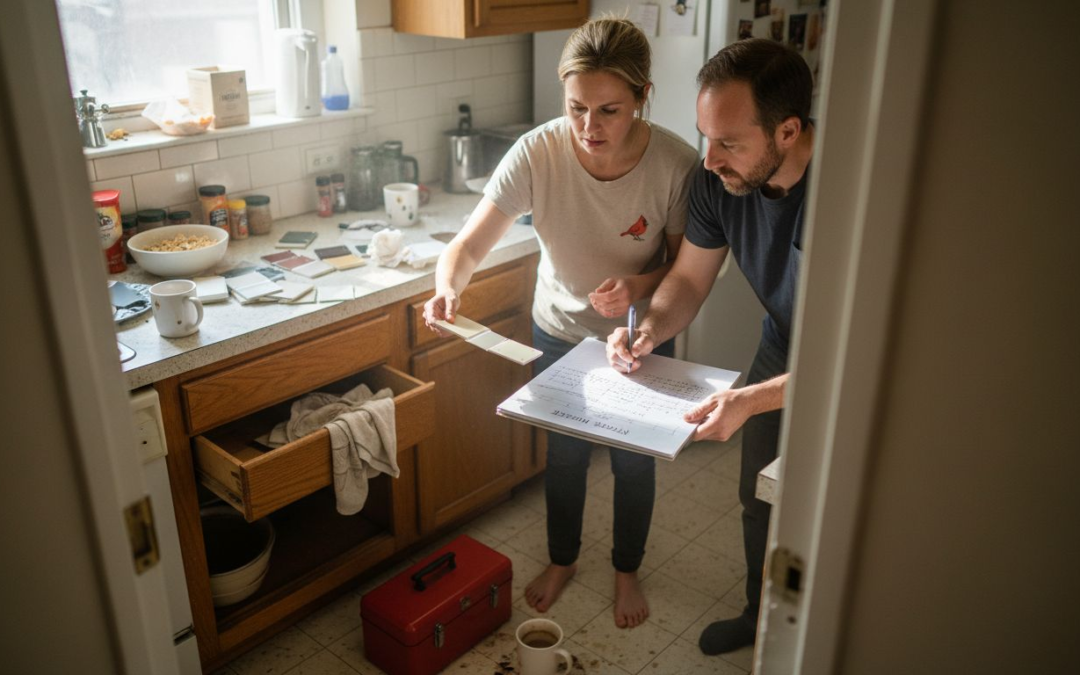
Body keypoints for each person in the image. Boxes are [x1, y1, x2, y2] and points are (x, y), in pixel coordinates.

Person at [423, 17, 699, 629]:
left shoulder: (677, 164)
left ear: (643, 97)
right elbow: (465, 247)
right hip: (558, 330)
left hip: (643, 330)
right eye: (576, 108)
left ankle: (626, 570)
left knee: (632, 459)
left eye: (609, 110)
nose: (588, 128)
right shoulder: (538, 151)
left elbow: (687, 268)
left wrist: (637, 286)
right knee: (566, 456)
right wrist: (448, 289)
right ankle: (563, 560)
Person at [605, 38, 815, 653]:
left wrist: (750, 400)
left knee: (828, 501)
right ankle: (761, 619)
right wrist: (647, 330)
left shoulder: (852, 194)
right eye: (704, 136)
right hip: (783, 341)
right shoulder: (716, 182)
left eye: (728, 142)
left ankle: (819, 633)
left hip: (854, 355)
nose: (709, 158)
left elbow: (855, 360)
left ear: (787, 131)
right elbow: (689, 280)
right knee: (759, 494)